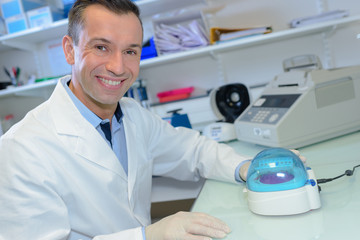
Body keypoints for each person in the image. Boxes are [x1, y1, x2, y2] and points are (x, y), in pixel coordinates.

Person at [0, 1, 305, 239]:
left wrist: (247, 168)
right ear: (70, 49)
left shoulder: (131, 114)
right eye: (101, 47)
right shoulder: (22, 149)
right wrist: (146, 235)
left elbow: (194, 151)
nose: (118, 67)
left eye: (130, 51)